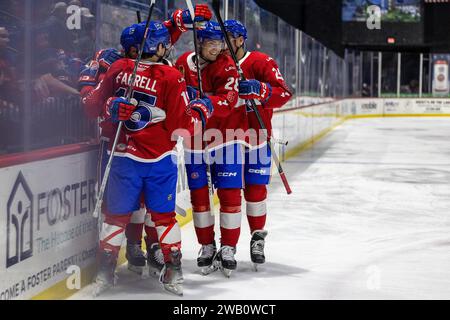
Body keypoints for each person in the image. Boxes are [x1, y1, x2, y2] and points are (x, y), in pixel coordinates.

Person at [81, 21, 210, 296]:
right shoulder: (171, 75)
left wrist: (109, 106)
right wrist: (200, 110)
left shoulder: (117, 68)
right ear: (156, 46)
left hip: (122, 157)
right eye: (164, 42)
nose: (167, 46)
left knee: (115, 218)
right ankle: (173, 273)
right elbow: (183, 127)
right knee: (164, 218)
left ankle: (105, 273)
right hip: (159, 162)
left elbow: (91, 105)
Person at [175, 21, 245, 277]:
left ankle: (228, 247)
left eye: (221, 43)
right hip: (195, 142)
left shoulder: (227, 66)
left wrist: (207, 101)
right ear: (200, 43)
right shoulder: (183, 62)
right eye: (212, 43)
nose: (218, 48)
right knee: (200, 199)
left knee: (229, 196)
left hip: (226, 138)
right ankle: (207, 246)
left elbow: (228, 101)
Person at [223, 19, 292, 269]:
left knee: (255, 193)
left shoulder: (261, 62)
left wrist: (262, 90)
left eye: (229, 37)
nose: (223, 43)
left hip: (257, 138)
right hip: (226, 139)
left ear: (241, 39)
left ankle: (257, 238)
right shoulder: (218, 64)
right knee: (229, 195)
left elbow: (284, 93)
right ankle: (228, 246)